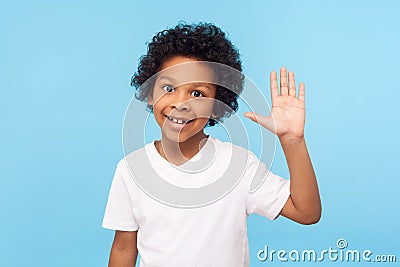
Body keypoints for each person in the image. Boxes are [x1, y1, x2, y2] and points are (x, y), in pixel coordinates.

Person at [102, 22, 321, 267]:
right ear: (151, 93)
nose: (181, 103)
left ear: (218, 106)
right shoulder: (131, 169)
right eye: (169, 88)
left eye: (197, 94)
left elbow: (306, 212)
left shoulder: (238, 165)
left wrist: (293, 141)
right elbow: (123, 248)